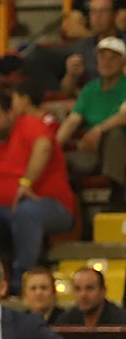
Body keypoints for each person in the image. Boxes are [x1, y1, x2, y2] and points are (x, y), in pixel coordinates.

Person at [0, 92, 75, 292]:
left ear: (10, 113)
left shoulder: (28, 125)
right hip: (1, 210)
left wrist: (26, 182)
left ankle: (22, 281)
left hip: (52, 206)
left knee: (27, 211)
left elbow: (43, 147)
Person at [57, 36, 126, 209]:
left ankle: (117, 194)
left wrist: (99, 129)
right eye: (103, 57)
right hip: (93, 149)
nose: (106, 62)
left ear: (122, 62)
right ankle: (77, 210)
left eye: (113, 58)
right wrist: (54, 146)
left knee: (114, 135)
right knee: (64, 160)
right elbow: (73, 120)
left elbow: (124, 115)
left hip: (119, 147)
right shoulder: (90, 89)